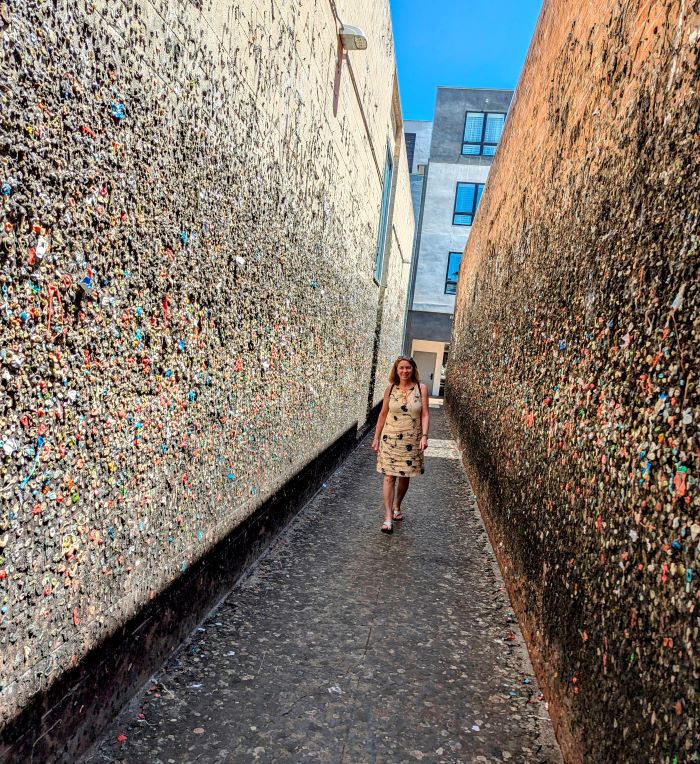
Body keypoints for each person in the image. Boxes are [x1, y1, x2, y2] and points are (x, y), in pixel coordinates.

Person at [372, 355, 429, 533]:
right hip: (390, 438)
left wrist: (425, 436)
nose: (404, 371)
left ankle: (397, 505)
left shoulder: (422, 388)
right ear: (396, 370)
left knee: (404, 477)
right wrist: (376, 437)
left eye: (408, 368)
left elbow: (425, 414)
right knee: (389, 477)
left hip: (411, 439)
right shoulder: (390, 389)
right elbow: (382, 414)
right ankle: (388, 517)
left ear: (413, 369)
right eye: (401, 368)